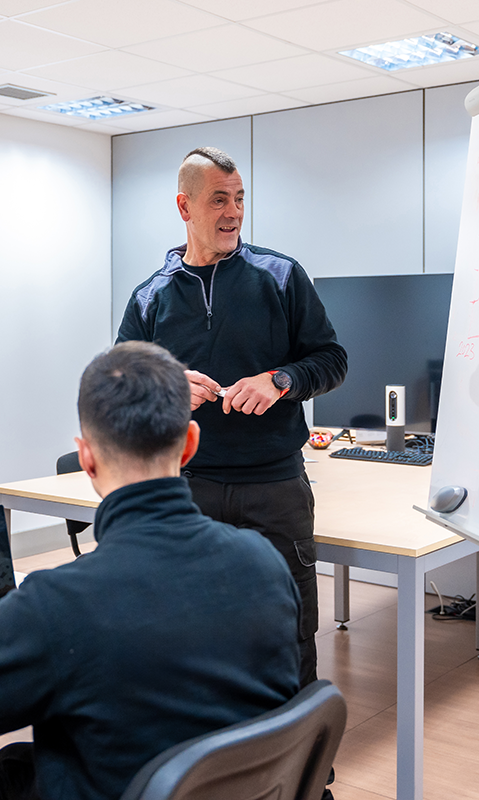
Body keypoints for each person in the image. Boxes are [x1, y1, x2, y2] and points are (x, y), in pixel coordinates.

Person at [0, 341, 301, 800]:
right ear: (190, 445)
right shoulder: (263, 563)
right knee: (12, 768)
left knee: (9, 773)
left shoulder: (60, 603)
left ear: (86, 458)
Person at [116, 146, 348, 690]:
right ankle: (207, 763)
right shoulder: (150, 298)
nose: (234, 212)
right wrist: (168, 386)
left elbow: (331, 360)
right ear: (185, 206)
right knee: (190, 633)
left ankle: (307, 773)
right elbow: (120, 386)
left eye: (240, 199)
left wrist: (281, 381)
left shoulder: (281, 276)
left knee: (288, 632)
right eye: (219, 199)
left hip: (275, 489)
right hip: (187, 490)